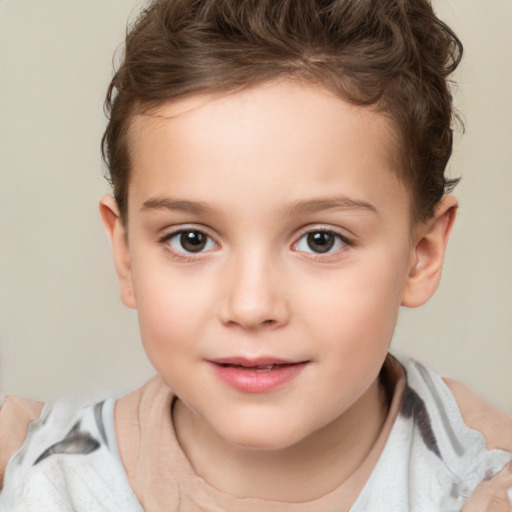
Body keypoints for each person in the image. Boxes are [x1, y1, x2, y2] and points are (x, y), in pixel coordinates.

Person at [0, 0, 511, 510]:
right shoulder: (30, 475)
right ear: (127, 254)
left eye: (320, 240)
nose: (250, 306)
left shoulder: (486, 486)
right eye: (192, 239)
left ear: (421, 254)